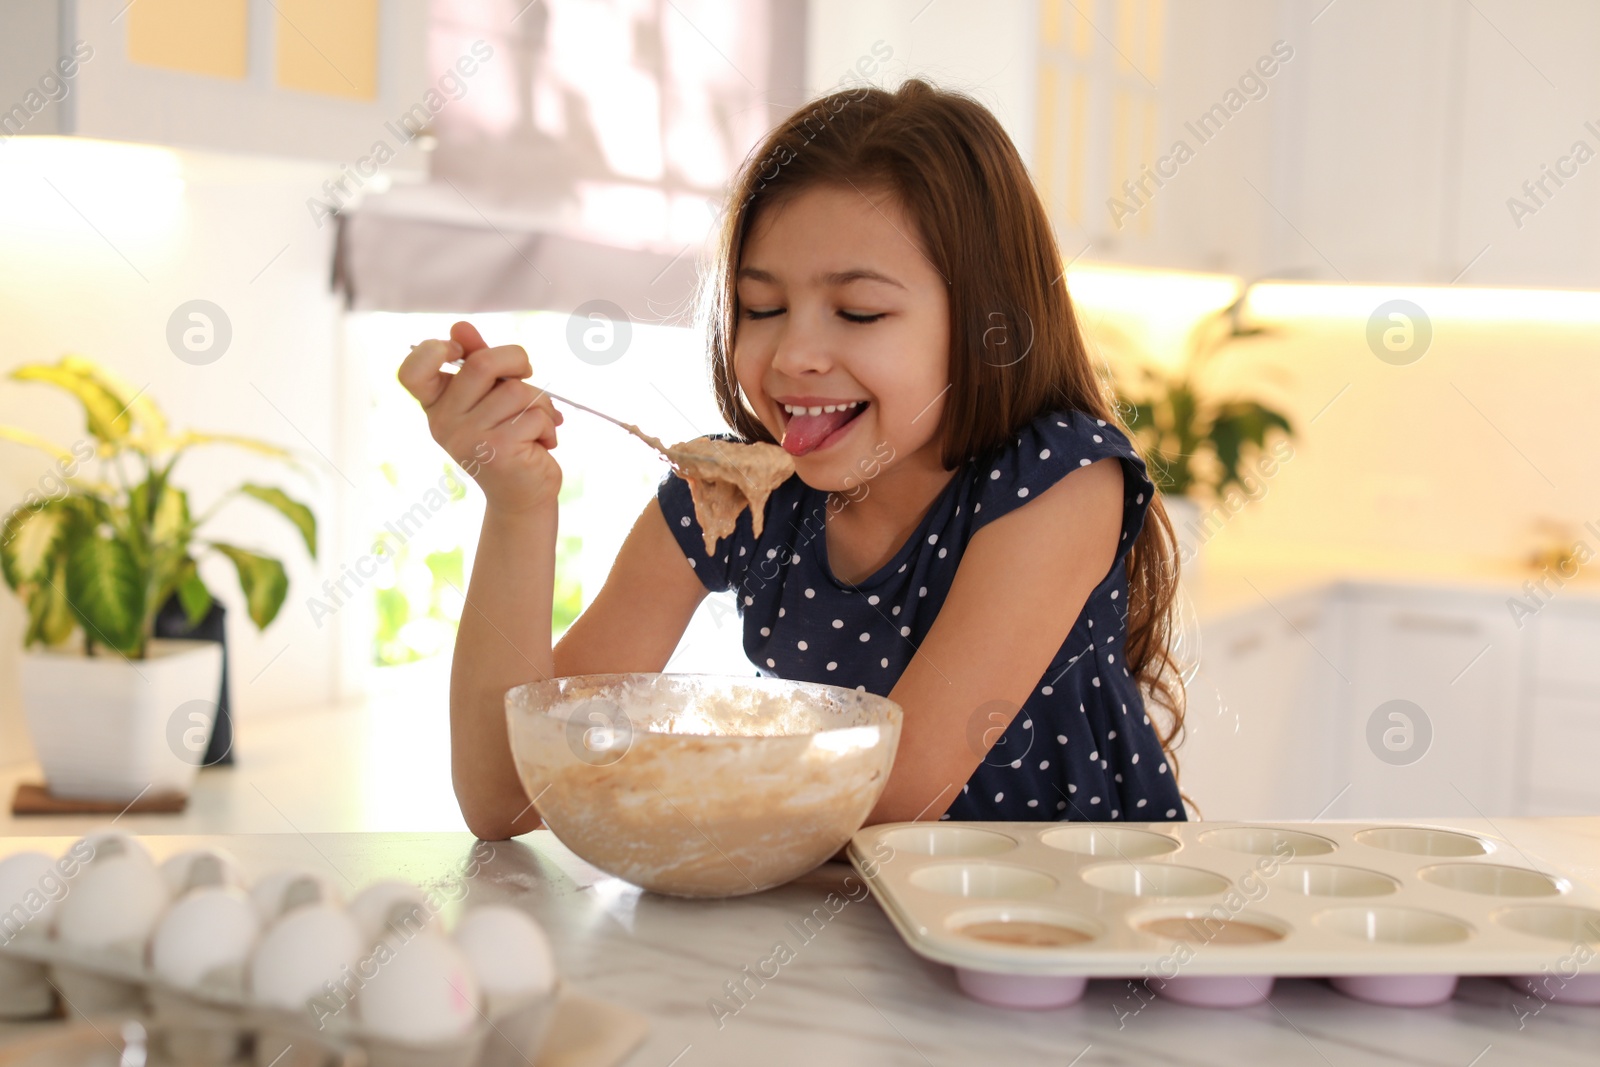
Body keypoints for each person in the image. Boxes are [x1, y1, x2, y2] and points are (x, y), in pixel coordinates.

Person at [398, 78, 1188, 841]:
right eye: (762, 307)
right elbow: (507, 795)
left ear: (988, 324)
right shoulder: (732, 498)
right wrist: (518, 502)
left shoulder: (1060, 479)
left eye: (858, 311)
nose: (794, 354)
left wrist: (645, 772)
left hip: (1087, 940)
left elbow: (894, 792)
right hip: (851, 942)